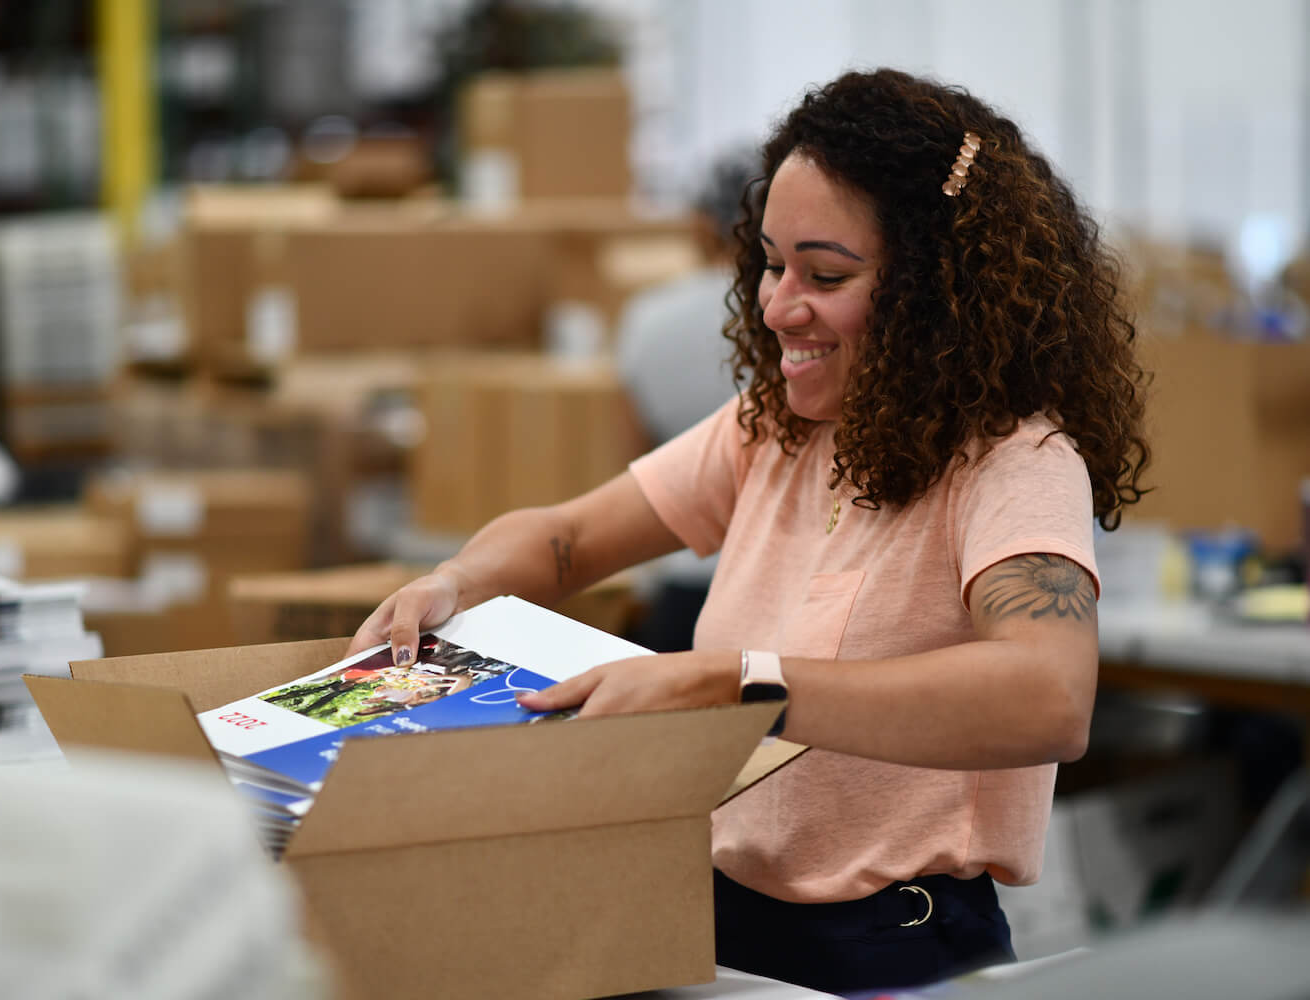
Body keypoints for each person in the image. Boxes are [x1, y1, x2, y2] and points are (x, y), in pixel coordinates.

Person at [349, 68, 1149, 996]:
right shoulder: (773, 429)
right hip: (718, 925)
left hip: (895, 952)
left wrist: (734, 686)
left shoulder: (1014, 461)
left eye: (827, 275)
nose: (776, 307)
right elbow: (566, 539)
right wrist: (453, 581)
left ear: (938, 293)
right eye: (771, 263)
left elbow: (1048, 697)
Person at [614, 147, 756, 651]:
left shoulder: (646, 315)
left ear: (699, 223)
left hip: (679, 569)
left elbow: (633, 455)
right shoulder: (793, 311)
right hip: (769, 577)